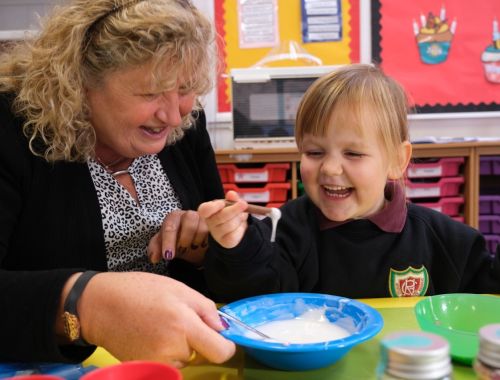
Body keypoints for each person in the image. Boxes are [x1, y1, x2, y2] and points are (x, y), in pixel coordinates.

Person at [0, 0, 235, 366]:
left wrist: (209, 246)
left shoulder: (186, 126)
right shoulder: (10, 129)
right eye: (150, 93)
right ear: (79, 83)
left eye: (186, 87)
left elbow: (225, 259)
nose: (173, 115)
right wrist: (84, 304)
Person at [199, 64, 500, 302]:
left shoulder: (443, 240)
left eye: (353, 153)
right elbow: (247, 295)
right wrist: (235, 246)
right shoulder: (285, 231)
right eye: (314, 152)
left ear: (397, 159)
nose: (330, 168)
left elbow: (488, 296)